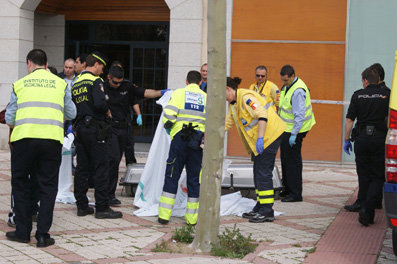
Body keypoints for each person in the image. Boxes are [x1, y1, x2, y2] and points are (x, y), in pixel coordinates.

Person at [5, 49, 76, 247]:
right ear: (46, 64)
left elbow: (10, 118)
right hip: (51, 141)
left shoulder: (19, 84)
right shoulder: (61, 83)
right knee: (47, 187)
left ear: (29, 63)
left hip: (23, 141)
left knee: (20, 185)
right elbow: (72, 111)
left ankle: (22, 232)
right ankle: (43, 235)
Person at [225, 77, 286, 222]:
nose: (223, 99)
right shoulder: (233, 104)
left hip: (269, 137)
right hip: (262, 141)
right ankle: (261, 205)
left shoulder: (245, 98)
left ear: (228, 89)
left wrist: (260, 138)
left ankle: (267, 211)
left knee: (263, 173)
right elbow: (227, 124)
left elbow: (262, 115)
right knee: (258, 173)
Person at [105, 64, 167, 205]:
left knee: (117, 160)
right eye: (115, 82)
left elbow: (144, 92)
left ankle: (109, 195)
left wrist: (161, 92)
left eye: (120, 82)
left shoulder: (127, 86)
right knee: (111, 160)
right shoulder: (102, 86)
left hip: (123, 127)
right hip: (109, 128)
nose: (118, 85)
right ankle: (105, 194)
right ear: (109, 77)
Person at [71, 51, 123, 219]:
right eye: (101, 67)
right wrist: (108, 112)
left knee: (82, 168)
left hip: (80, 128)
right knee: (102, 166)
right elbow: (100, 103)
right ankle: (102, 208)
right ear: (95, 65)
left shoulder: (76, 82)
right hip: (95, 129)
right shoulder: (95, 81)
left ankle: (82, 205)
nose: (102, 71)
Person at [158, 71, 206, 225]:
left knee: (172, 174)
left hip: (180, 139)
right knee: (194, 179)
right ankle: (191, 219)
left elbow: (169, 116)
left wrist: (169, 129)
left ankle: (164, 216)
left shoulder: (179, 94)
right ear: (199, 82)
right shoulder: (206, 97)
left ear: (186, 81)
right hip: (197, 142)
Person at [343, 67, 389, 226]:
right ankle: (367, 209)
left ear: (365, 80)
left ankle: (365, 208)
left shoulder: (358, 95)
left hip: (362, 140)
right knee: (377, 176)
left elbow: (350, 120)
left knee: (363, 175)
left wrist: (346, 139)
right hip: (379, 140)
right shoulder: (387, 95)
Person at [278, 65, 316, 202]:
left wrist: (294, 134)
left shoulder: (298, 90)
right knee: (285, 159)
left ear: (293, 76)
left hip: (295, 129)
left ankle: (295, 193)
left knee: (293, 162)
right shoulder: (288, 86)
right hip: (286, 129)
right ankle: (287, 188)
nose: (284, 82)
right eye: (283, 80)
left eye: (286, 80)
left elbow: (299, 115)